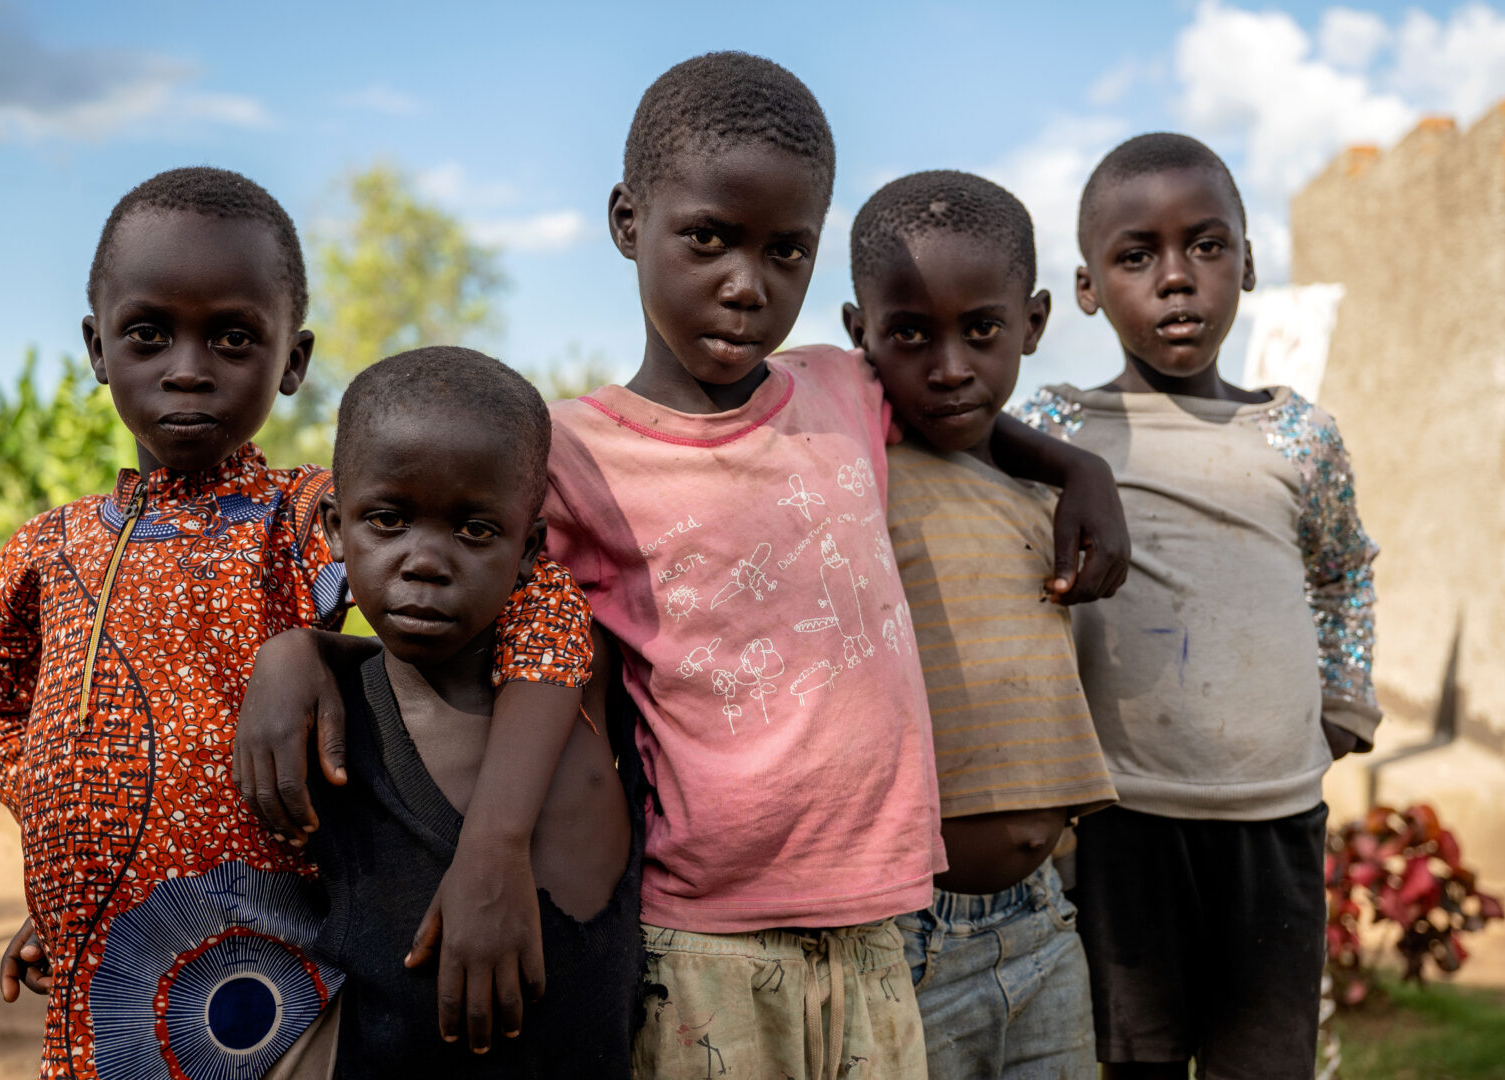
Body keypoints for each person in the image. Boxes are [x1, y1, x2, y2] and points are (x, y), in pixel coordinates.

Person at [240, 51, 1129, 1080]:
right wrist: (301, 650)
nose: (746, 284)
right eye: (707, 238)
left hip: (883, 927)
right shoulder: (565, 456)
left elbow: (958, 402)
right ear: (629, 222)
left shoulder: (841, 388)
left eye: (786, 251)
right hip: (703, 941)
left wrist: (1078, 470)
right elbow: (440, 570)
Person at [0, 166, 590, 1079]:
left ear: (292, 361)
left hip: (288, 1004)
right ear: (98, 349)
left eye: (233, 338)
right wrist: (82, 856)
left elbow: (546, 608)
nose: (186, 366)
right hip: (102, 997)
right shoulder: (44, 552)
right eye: (147, 333)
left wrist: (493, 839)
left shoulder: (317, 523)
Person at [1014, 133, 1383, 1080]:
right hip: (1120, 823)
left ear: (1248, 264)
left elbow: (1342, 570)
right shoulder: (1055, 431)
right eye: (1137, 256)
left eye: (1206, 247)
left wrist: (1340, 707)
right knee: (1128, 1059)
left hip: (1277, 821)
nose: (1176, 280)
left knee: (1262, 1062)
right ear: (1089, 288)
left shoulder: (1296, 434)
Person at [841, 170, 1120, 1079]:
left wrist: (1082, 469)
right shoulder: (855, 469)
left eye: (983, 331)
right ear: (859, 336)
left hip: (1045, 922)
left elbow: (990, 428)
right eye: (910, 335)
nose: (950, 365)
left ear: (1034, 324)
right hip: (912, 936)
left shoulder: (1034, 491)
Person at [301, 346, 641, 1076]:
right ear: (334, 525)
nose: (426, 560)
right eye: (388, 519)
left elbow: (558, 626)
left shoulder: (585, 678)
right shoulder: (326, 724)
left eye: (475, 530)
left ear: (531, 549)